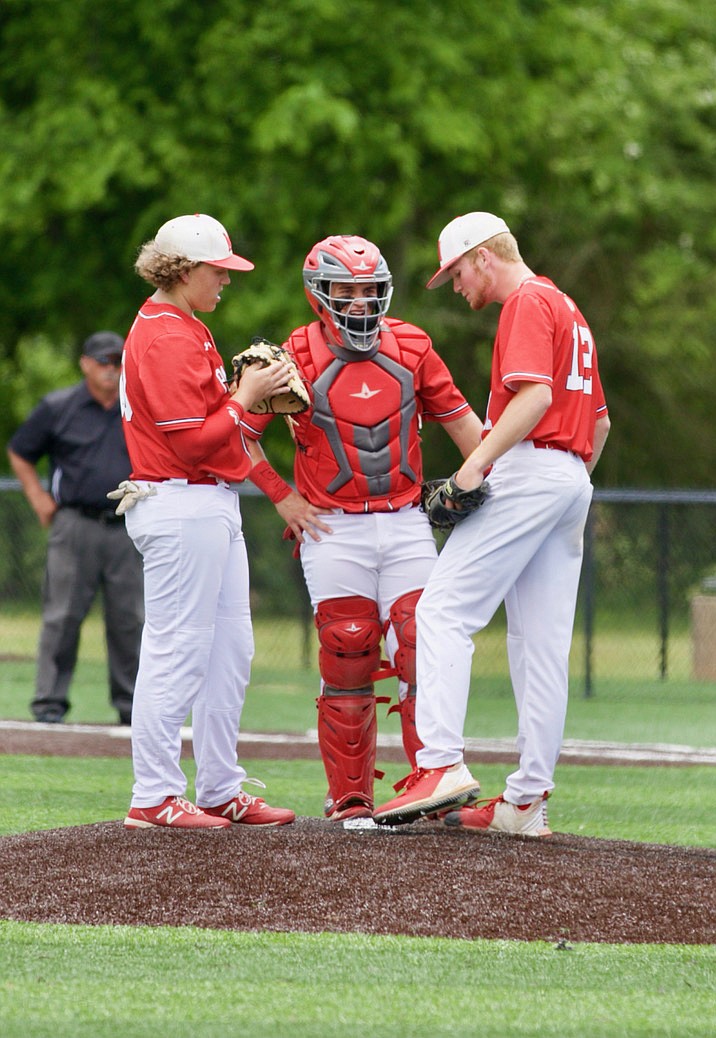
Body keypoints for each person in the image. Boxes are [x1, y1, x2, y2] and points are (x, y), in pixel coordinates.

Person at [373, 211, 611, 835]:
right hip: (570, 475)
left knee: (442, 611)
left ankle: (440, 765)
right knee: (540, 647)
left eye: (455, 271)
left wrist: (475, 468)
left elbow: (531, 399)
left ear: (483, 256)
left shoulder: (526, 302)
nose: (455, 285)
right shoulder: (569, 308)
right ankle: (526, 803)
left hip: (531, 469)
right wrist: (568, 486)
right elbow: (602, 424)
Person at [241, 234, 483, 821]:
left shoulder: (413, 347)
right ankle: (349, 794)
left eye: (370, 290)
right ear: (319, 295)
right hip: (332, 527)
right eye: (345, 291)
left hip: (405, 520)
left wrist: (487, 478)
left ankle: (433, 781)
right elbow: (239, 434)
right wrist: (283, 499)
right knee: (347, 644)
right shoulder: (288, 356)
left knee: (421, 647)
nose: (359, 303)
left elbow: (466, 427)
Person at [117, 212, 296, 830]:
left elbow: (224, 443)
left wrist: (253, 408)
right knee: (178, 651)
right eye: (218, 271)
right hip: (178, 501)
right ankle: (154, 794)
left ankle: (219, 786)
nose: (225, 280)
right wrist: (246, 398)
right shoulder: (166, 334)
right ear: (184, 269)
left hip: (207, 501)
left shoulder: (184, 325)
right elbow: (195, 443)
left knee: (229, 650)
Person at [7, 331, 144, 726]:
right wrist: (37, 498)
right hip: (74, 524)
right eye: (104, 361)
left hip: (127, 524)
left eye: (118, 362)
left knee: (130, 619)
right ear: (85, 363)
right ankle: (49, 704)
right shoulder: (59, 406)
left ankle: (132, 708)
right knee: (62, 616)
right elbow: (20, 451)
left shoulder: (137, 406)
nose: (111, 369)